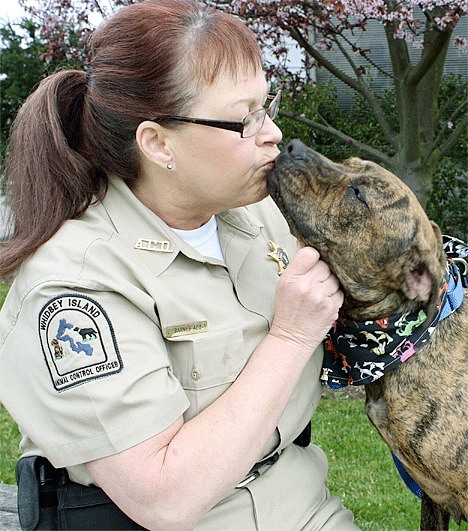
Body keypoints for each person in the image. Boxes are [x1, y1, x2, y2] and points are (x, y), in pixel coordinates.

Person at [0, 0, 358, 529]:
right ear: (158, 143)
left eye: (267, 106)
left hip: (302, 506)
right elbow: (162, 499)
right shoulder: (76, 288)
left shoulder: (260, 214)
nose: (272, 133)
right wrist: (291, 337)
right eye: (243, 119)